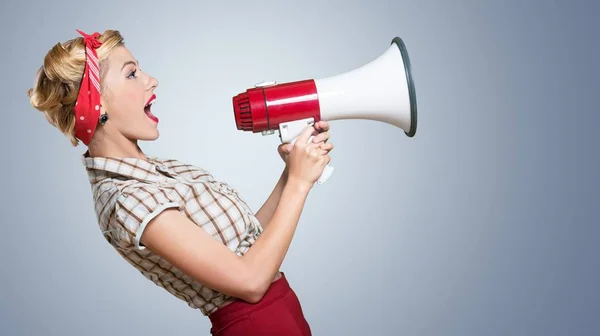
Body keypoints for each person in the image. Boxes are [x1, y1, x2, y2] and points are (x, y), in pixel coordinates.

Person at [27, 29, 333, 336]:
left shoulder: (164, 170)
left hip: (283, 312)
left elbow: (247, 242)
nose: (151, 80)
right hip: (254, 326)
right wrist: (298, 184)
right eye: (132, 74)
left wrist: (291, 170)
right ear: (99, 103)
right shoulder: (126, 199)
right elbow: (250, 282)